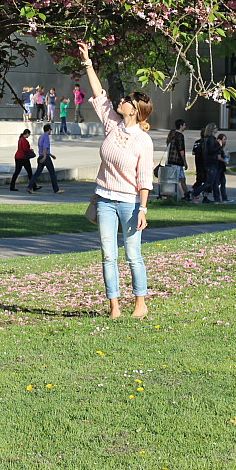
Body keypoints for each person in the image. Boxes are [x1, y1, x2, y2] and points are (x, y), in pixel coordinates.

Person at [78, 41, 153, 320]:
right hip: (105, 200)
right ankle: (114, 307)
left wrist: (143, 209)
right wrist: (87, 62)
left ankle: (140, 303)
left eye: (126, 101)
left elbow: (145, 178)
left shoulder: (143, 141)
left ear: (134, 110)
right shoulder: (112, 125)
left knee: (133, 255)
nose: (119, 101)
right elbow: (99, 95)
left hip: (131, 204)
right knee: (108, 255)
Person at [28, 124, 65, 195]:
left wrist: (50, 154)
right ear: (49, 130)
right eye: (50, 129)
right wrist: (45, 157)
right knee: (52, 173)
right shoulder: (46, 137)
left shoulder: (41, 137)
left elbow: (42, 149)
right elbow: (45, 148)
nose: (50, 131)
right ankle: (56, 189)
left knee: (37, 173)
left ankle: (29, 187)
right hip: (45, 158)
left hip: (40, 156)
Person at [190, 123, 221, 202]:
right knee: (209, 182)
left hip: (209, 163)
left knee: (215, 182)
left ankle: (217, 199)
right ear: (211, 130)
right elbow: (212, 151)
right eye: (215, 128)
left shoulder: (207, 139)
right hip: (211, 163)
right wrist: (219, 146)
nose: (217, 129)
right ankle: (195, 193)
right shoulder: (211, 139)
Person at [166, 119, 190, 199]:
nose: (185, 127)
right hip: (177, 161)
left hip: (171, 160)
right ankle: (183, 195)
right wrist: (184, 161)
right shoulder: (180, 136)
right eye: (184, 125)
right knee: (178, 179)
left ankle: (186, 194)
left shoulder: (172, 134)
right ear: (181, 126)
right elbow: (181, 149)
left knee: (181, 178)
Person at [216, 134, 234, 202]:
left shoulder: (221, 149)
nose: (225, 141)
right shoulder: (218, 148)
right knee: (218, 183)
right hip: (218, 167)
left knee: (223, 182)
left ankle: (224, 197)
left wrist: (227, 157)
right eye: (224, 139)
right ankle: (219, 197)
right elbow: (219, 157)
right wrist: (225, 161)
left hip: (221, 167)